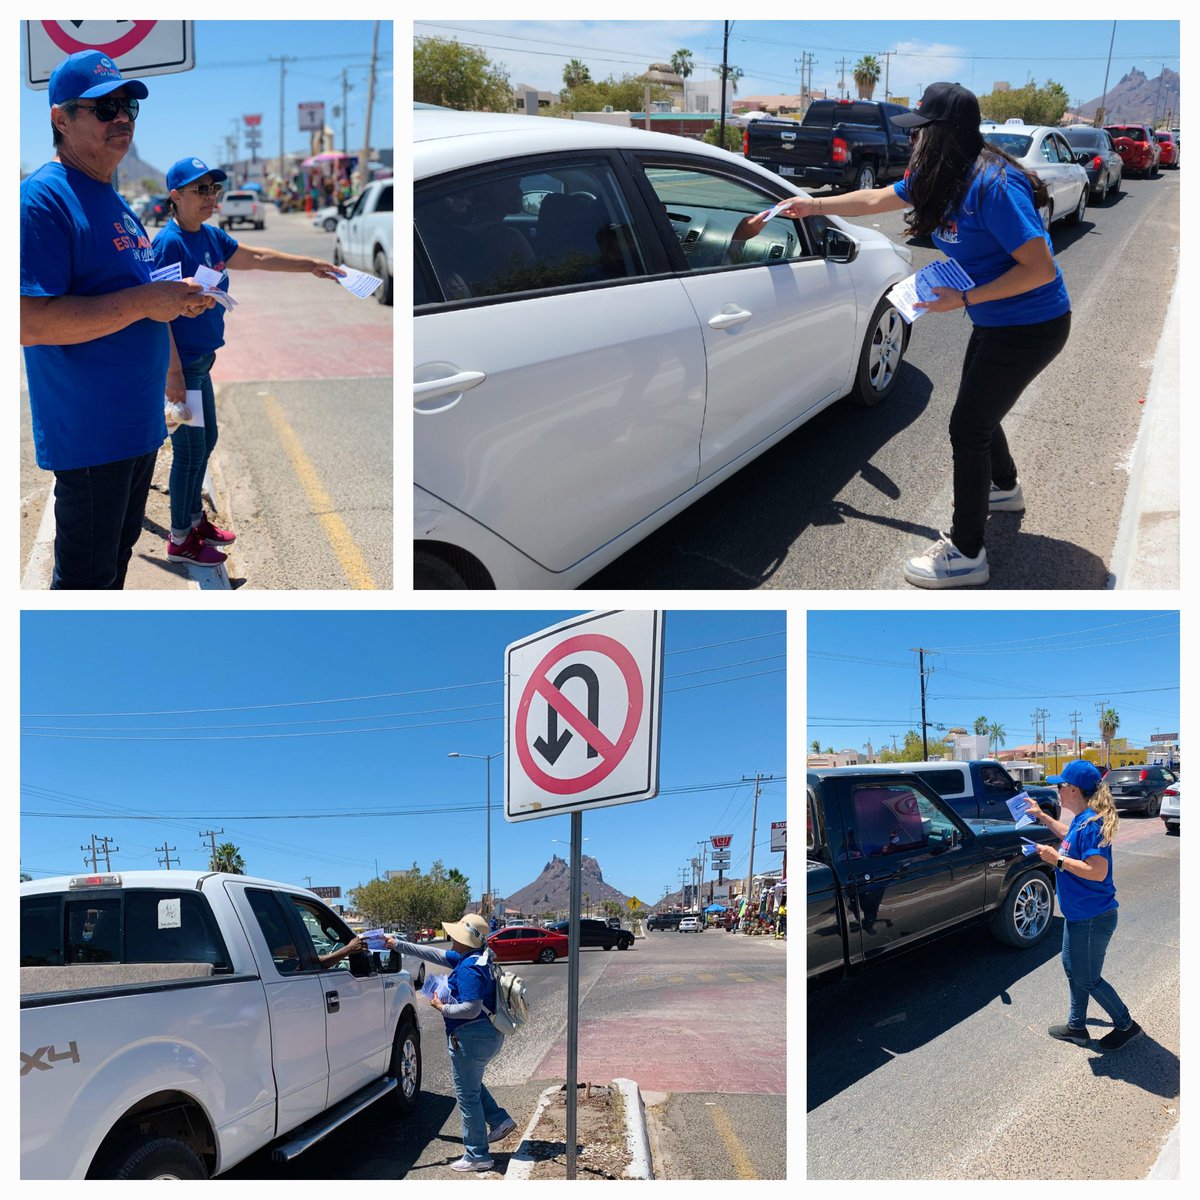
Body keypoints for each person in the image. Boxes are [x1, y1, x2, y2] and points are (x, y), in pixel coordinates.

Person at [733, 82, 1071, 589]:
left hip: (1033, 325)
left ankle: (968, 552)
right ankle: (1003, 488)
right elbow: (874, 197)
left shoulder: (995, 184)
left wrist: (966, 298)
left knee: (968, 426)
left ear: (946, 135)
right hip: (997, 321)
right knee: (980, 411)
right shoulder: (939, 174)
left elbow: (1041, 268)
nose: (912, 141)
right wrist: (813, 205)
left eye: (920, 133)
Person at [19, 50, 214, 589]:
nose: (122, 117)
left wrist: (177, 300)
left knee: (113, 572)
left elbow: (141, 297)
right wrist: (148, 302)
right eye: (104, 109)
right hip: (92, 439)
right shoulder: (42, 200)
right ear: (61, 119)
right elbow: (29, 322)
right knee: (85, 585)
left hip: (138, 429)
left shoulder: (115, 200)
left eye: (127, 106)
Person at [151, 157, 344, 565]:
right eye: (199, 190)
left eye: (213, 189)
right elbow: (158, 313)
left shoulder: (212, 237)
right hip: (181, 367)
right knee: (188, 451)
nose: (210, 197)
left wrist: (311, 265)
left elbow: (256, 258)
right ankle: (180, 539)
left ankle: (194, 518)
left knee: (207, 442)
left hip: (201, 363)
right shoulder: (168, 244)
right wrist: (172, 374)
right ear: (175, 196)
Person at [1024, 760, 1142, 1050]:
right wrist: (1041, 816)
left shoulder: (1092, 824)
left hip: (1092, 917)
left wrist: (1057, 860)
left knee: (1087, 978)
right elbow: (1068, 837)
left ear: (1074, 789)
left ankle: (1126, 1025)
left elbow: (1097, 871)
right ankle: (1077, 1027)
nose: (1058, 790)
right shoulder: (1081, 819)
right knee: (1071, 966)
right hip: (1079, 915)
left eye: (1060, 785)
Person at [384, 914, 516, 1172]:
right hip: (485, 1035)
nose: (451, 940)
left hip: (469, 1037)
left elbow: (470, 1008)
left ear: (465, 941)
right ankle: (500, 1120)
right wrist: (396, 944)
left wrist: (441, 1007)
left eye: (455, 936)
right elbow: (433, 954)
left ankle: (478, 1155)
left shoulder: (468, 968)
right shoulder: (478, 957)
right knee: (472, 1086)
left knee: (467, 1097)